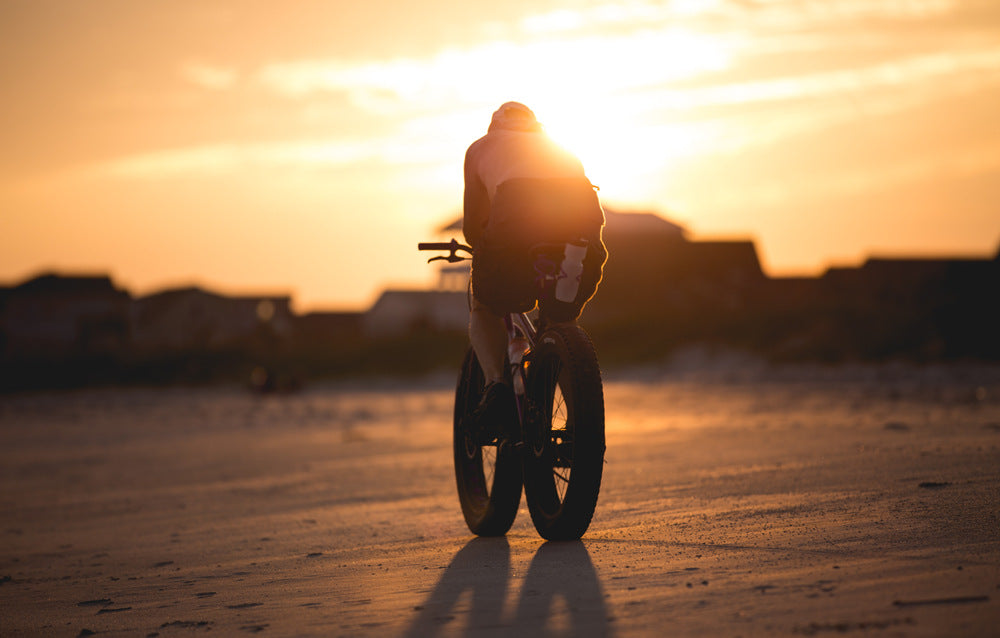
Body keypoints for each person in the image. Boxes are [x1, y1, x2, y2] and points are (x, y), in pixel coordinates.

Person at [463, 101, 607, 440]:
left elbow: (473, 228)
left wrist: (486, 254)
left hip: (515, 209)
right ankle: (579, 426)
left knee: (485, 304)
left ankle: (496, 387)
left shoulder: (481, 148)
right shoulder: (563, 152)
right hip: (582, 214)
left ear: (493, 127)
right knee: (560, 320)